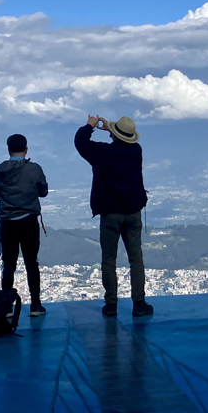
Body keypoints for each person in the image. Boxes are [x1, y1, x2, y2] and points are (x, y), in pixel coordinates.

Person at [74, 115, 153, 317]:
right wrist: (112, 129)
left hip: (110, 213)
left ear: (115, 135)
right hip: (133, 212)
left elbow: (80, 142)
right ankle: (139, 303)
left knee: (109, 260)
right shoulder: (137, 151)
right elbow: (123, 143)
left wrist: (90, 125)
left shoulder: (102, 153)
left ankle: (111, 305)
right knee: (136, 259)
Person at [0, 134, 49, 316]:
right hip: (29, 221)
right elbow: (43, 192)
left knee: (8, 264)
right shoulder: (34, 169)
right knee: (32, 262)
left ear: (8, 150)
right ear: (26, 149)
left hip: (8, 223)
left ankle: (7, 307)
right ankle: (36, 305)